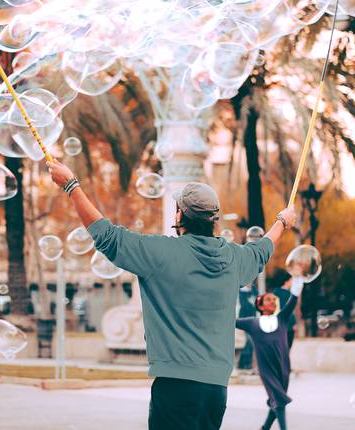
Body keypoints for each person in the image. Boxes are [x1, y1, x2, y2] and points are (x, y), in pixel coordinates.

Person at [47, 160, 298, 430]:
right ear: (213, 219)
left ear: (179, 216)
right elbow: (262, 249)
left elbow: (106, 236)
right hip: (216, 390)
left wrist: (72, 185)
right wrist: (283, 221)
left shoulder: (160, 253)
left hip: (175, 387)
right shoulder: (235, 258)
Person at [236, 279, 303, 430]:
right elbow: (230, 321)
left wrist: (300, 279)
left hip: (283, 367)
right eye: (268, 300)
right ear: (260, 305)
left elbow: (293, 299)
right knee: (279, 400)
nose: (273, 302)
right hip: (267, 370)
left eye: (274, 300)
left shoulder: (282, 318)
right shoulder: (252, 323)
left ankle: (265, 427)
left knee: (277, 399)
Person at [268, 270, 297, 349]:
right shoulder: (287, 294)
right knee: (286, 349)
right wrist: (294, 323)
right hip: (287, 327)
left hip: (279, 326)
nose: (292, 283)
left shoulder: (275, 292)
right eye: (291, 280)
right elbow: (289, 310)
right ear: (286, 281)